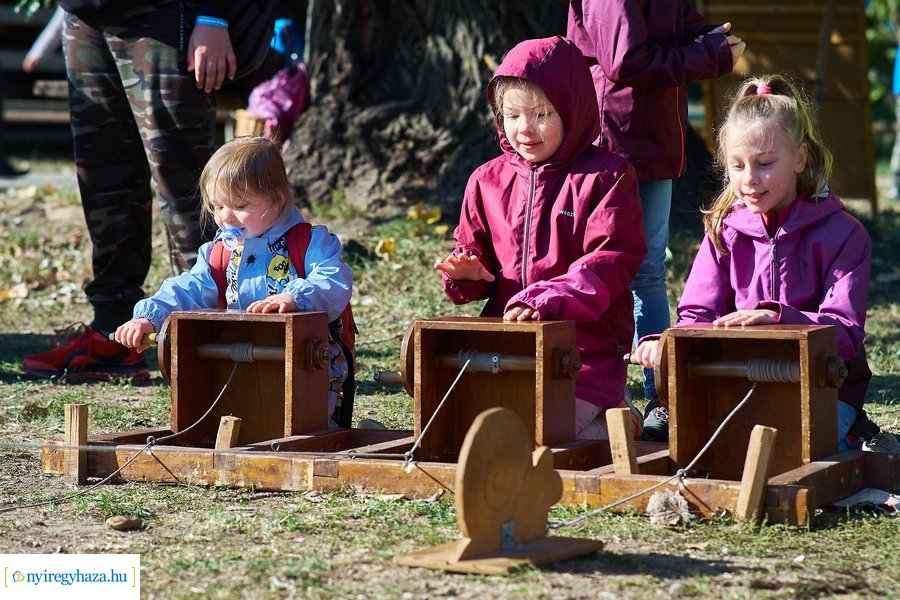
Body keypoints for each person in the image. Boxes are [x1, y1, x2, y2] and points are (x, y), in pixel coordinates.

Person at [632, 74, 899, 452]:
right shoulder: (724, 232)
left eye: (765, 163)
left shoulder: (845, 234)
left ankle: (853, 429)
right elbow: (696, 316)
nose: (750, 180)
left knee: (781, 452)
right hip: (737, 385)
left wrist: (778, 318)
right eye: (737, 166)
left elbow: (845, 334)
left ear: (800, 157)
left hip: (822, 391)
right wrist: (667, 342)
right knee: (708, 448)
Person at [435, 36, 647, 440]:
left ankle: (619, 416)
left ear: (573, 108)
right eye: (512, 116)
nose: (524, 129)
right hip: (508, 347)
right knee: (464, 427)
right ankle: (602, 424)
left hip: (582, 352)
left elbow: (610, 260)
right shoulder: (486, 179)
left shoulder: (607, 177)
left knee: (540, 433)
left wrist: (546, 299)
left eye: (542, 114)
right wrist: (467, 272)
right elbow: (474, 253)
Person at [23, 1, 240, 380]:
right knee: (103, 180)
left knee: (184, 185)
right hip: (84, 17)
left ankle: (210, 334)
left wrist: (212, 16)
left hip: (162, 15)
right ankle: (114, 332)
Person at [566, 1, 747, 440]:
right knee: (588, 267)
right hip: (611, 141)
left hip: (655, 142)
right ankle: (579, 381)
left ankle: (658, 398)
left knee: (647, 270)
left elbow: (678, 29)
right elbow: (624, 60)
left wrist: (709, 41)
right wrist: (707, 55)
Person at [115, 136, 352, 426]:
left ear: (277, 198)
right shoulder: (220, 253)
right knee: (245, 417)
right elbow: (189, 288)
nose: (225, 217)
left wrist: (295, 298)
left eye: (239, 205)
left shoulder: (310, 242)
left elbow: (333, 279)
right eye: (217, 206)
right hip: (236, 362)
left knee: (304, 420)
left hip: (306, 363)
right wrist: (149, 317)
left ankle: (320, 437)